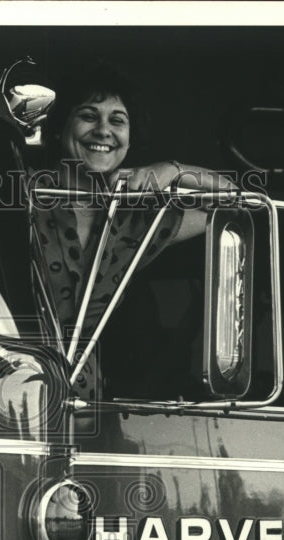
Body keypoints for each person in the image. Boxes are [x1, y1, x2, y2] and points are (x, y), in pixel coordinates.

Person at [31, 63, 234, 399]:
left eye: (117, 121)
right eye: (88, 115)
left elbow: (233, 205)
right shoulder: (22, 193)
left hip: (81, 400)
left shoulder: (135, 220)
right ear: (59, 126)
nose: (103, 130)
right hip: (3, 383)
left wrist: (171, 171)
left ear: (129, 138)